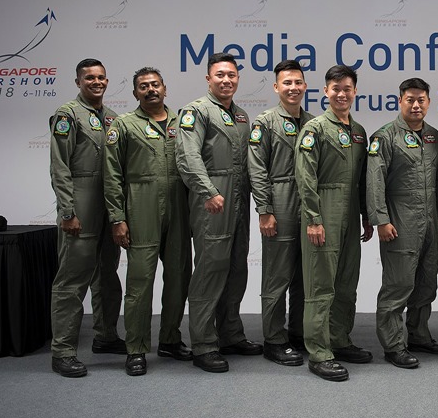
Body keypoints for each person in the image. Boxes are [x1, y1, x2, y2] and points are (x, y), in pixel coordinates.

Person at [176, 52, 262, 373]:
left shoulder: (241, 116)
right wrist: (208, 191)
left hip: (238, 202)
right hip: (211, 201)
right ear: (208, 78)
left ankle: (230, 334)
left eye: (232, 75)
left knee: (237, 269)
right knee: (211, 270)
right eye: (220, 75)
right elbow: (187, 156)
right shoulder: (196, 112)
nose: (227, 80)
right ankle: (203, 344)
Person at [104, 67, 192, 376]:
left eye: (155, 84)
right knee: (140, 283)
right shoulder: (124, 126)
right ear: (135, 93)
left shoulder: (183, 122)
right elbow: (112, 176)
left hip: (180, 209)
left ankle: (170, 338)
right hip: (141, 209)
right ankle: (136, 348)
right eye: (144, 86)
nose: (150, 89)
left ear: (165, 88)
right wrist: (117, 218)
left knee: (180, 278)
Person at [296, 64, 374, 381]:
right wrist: (314, 219)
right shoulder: (314, 129)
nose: (342, 94)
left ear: (355, 92)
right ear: (325, 92)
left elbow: (363, 180)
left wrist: (367, 216)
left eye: (347, 89)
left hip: (351, 215)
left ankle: (340, 340)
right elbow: (305, 178)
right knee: (320, 286)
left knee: (345, 284)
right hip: (323, 212)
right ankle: (318, 352)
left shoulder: (358, 133)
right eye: (335, 89)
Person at [367, 78, 438, 369]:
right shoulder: (385, 136)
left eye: (421, 100)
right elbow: (374, 181)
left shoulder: (434, 137)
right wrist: (380, 220)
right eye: (410, 100)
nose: (416, 105)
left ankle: (418, 335)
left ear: (428, 102)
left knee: (426, 282)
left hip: (429, 220)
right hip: (399, 219)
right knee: (398, 284)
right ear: (400, 101)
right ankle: (393, 345)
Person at [49, 58, 125, 378]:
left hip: (108, 207)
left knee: (107, 274)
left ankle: (105, 336)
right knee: (72, 279)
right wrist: (68, 211)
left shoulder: (112, 118)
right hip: (80, 203)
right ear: (78, 81)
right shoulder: (68, 115)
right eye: (89, 78)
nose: (97, 82)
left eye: (101, 77)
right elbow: (59, 166)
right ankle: (63, 350)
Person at [248, 59, 313, 367]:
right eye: (287, 83)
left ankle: (298, 333)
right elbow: (257, 169)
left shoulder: (312, 122)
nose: (293, 88)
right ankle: (274, 339)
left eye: (298, 82)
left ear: (305, 86)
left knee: (304, 274)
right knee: (277, 274)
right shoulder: (266, 121)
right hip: (281, 199)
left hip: (308, 204)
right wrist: (264, 210)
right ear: (276, 87)